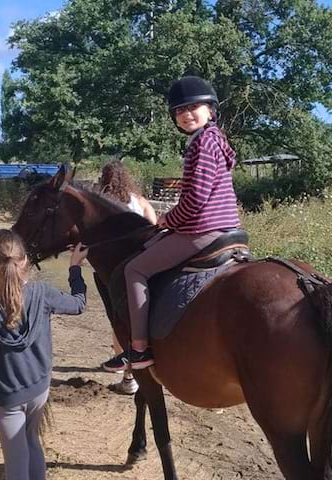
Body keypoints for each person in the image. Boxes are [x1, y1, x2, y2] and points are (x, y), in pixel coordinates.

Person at [124, 76, 241, 369]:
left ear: (211, 110)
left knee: (134, 269)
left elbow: (195, 200)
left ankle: (139, 348)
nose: (186, 114)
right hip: (230, 228)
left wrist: (167, 219)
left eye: (193, 107)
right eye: (179, 110)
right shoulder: (216, 140)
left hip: (203, 231)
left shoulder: (202, 143)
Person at [0, 230, 88, 480]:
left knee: (16, 461)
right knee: (31, 441)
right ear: (25, 261)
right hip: (40, 388)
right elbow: (79, 303)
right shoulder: (42, 292)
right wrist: (74, 268)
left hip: (7, 397)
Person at [97, 160, 156, 394]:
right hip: (142, 264)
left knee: (117, 320)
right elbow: (152, 226)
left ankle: (127, 375)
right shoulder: (138, 201)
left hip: (110, 270)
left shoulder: (101, 201)